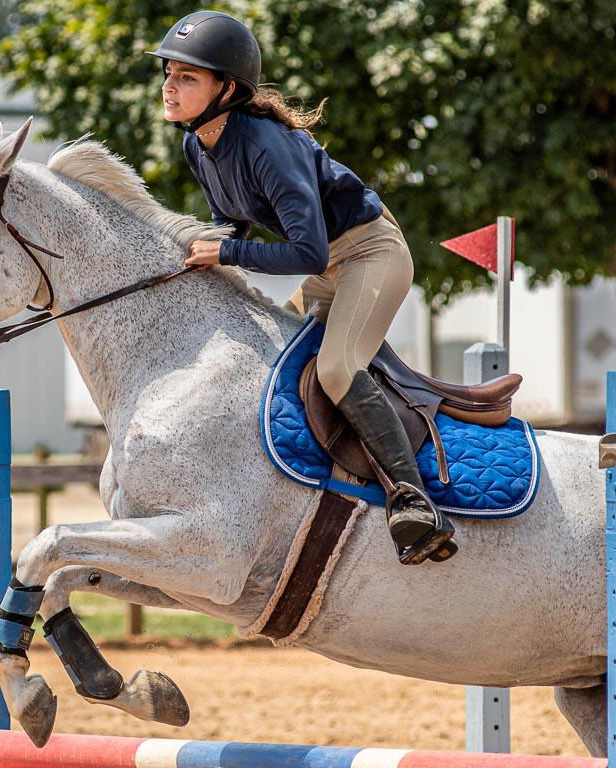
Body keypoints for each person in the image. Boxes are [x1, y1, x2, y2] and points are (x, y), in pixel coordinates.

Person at [149, 10, 455, 565]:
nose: (170, 86)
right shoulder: (199, 144)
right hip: (332, 265)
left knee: (337, 369)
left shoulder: (268, 144)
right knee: (278, 358)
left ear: (227, 88)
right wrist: (199, 254)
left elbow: (306, 252)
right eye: (168, 74)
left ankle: (415, 503)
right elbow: (232, 224)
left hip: (370, 253)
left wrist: (228, 252)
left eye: (187, 77)